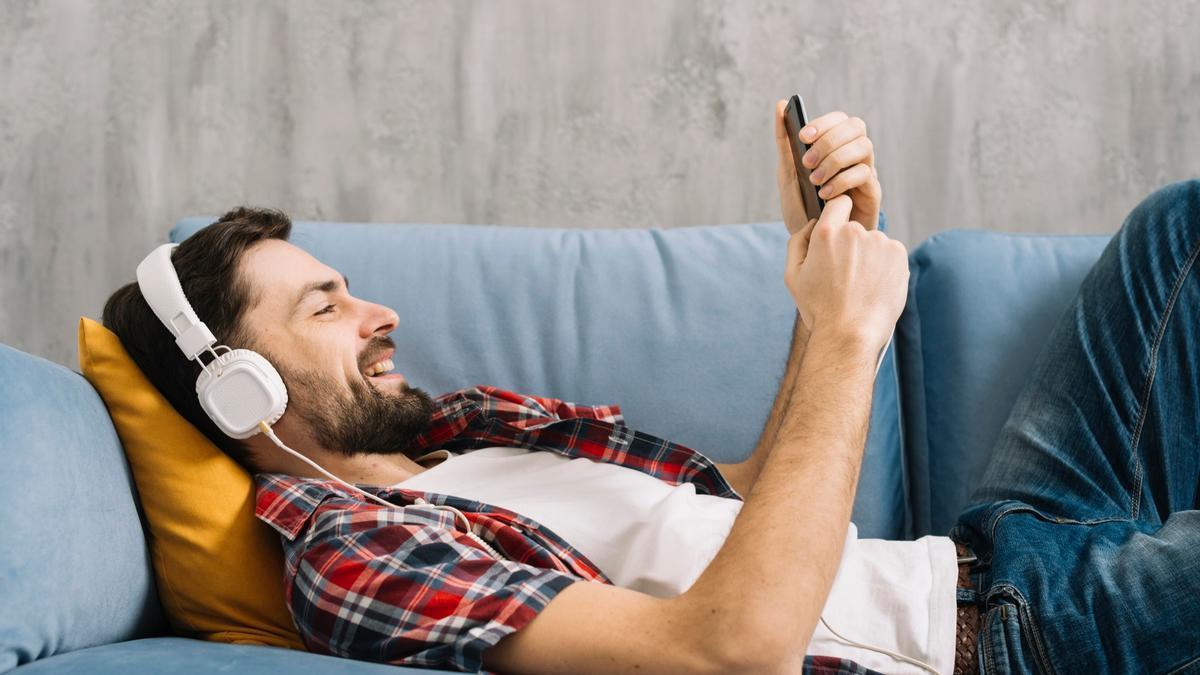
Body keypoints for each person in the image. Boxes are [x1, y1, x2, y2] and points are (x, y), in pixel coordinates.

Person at [99, 97, 1200, 674]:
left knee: (1178, 228)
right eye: (325, 308)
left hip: (1003, 541)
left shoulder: (480, 433)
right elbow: (732, 652)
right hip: (1005, 640)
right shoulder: (355, 551)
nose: (379, 314)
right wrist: (842, 336)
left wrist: (815, 264)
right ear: (240, 390)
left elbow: (753, 494)